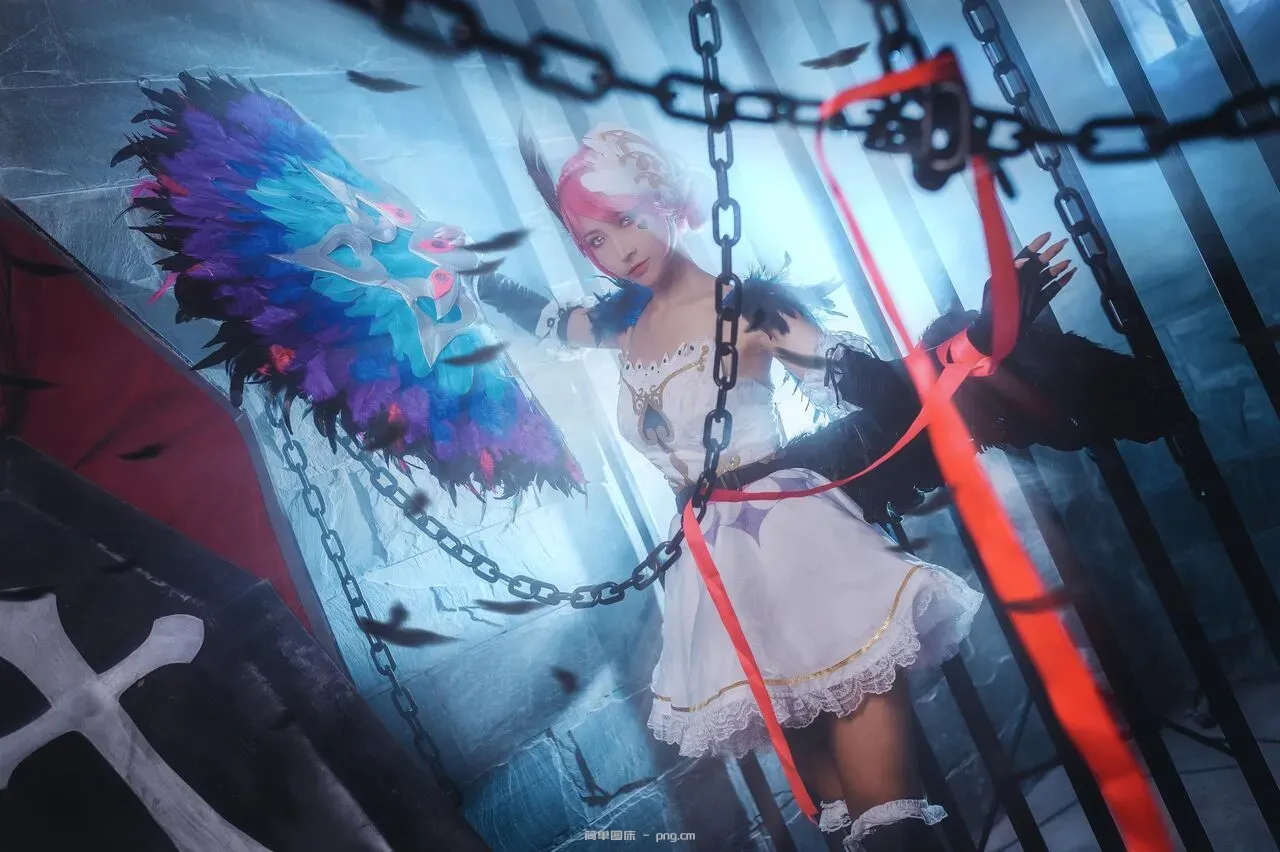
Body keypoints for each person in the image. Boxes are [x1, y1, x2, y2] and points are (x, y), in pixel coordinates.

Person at [472, 123, 1164, 852]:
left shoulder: (752, 307)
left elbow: (877, 387)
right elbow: (545, 319)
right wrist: (453, 268)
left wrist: (980, 338)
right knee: (842, 830)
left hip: (799, 546)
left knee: (889, 826)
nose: (620, 248)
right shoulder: (619, 323)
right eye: (595, 240)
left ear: (663, 199)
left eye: (625, 218)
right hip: (718, 577)